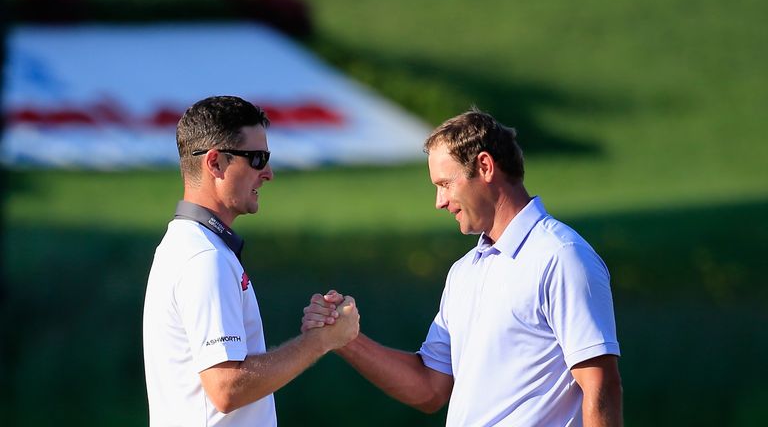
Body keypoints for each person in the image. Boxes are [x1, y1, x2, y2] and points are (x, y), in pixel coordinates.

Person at [303, 109, 622, 426]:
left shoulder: (560, 256)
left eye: (445, 183)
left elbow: (600, 385)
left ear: (484, 166)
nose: (439, 201)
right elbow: (430, 388)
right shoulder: (464, 271)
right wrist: (342, 338)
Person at [143, 96, 359, 426]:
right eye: (257, 159)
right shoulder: (204, 258)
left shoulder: (191, 246)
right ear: (215, 163)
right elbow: (226, 388)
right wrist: (319, 342)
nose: (268, 173)